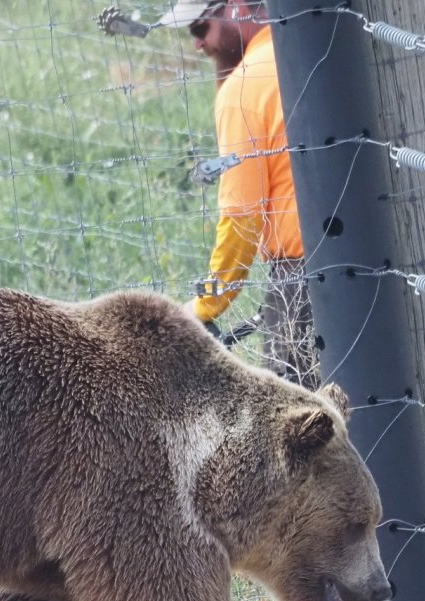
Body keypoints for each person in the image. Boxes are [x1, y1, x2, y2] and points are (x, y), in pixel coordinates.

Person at [158, 0, 317, 386]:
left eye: (200, 28)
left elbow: (242, 217)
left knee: (300, 432)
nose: (197, 44)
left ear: (239, 7)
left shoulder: (244, 86)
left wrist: (204, 305)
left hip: (303, 281)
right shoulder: (309, 50)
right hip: (377, 257)